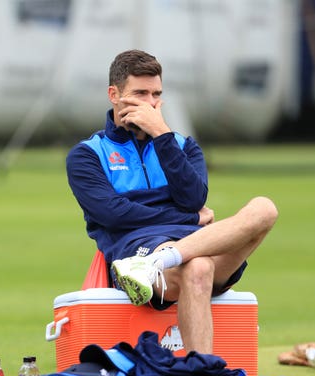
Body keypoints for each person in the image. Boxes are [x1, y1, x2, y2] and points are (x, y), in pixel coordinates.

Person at [66, 49, 278, 353]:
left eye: (156, 94)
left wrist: (161, 134)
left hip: (190, 247)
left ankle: (165, 260)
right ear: (114, 95)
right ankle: (202, 373)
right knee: (199, 268)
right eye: (140, 93)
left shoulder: (181, 145)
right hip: (135, 253)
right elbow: (113, 214)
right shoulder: (87, 154)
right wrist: (189, 219)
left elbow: (193, 197)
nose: (151, 103)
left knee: (264, 208)